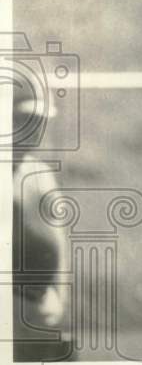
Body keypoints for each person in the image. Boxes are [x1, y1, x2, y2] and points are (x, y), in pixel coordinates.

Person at [11, 82, 73, 361]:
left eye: (39, 121)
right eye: (24, 119)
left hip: (41, 304)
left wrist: (59, 297)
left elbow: (57, 241)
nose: (34, 128)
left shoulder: (40, 173)